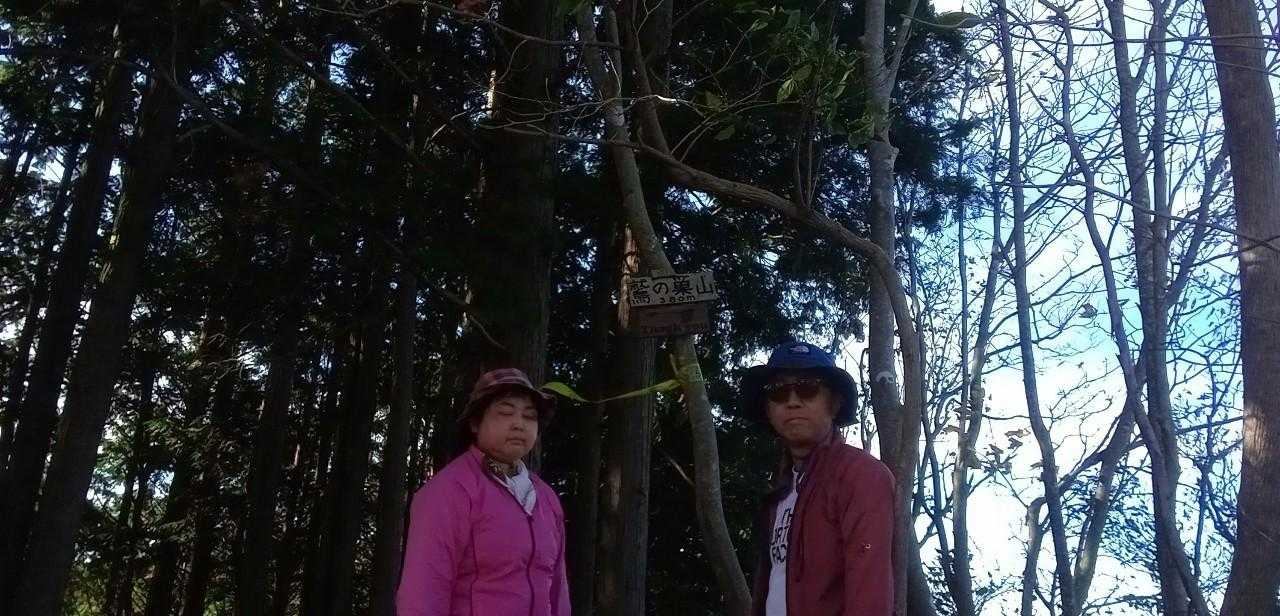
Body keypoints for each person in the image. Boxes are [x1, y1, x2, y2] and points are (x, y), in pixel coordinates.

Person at [733, 341, 896, 616]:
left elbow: (870, 592)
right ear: (767, 409)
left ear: (835, 403)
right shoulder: (779, 491)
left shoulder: (861, 476)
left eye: (808, 388)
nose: (792, 401)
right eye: (778, 391)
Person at [396, 368, 570, 616]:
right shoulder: (449, 491)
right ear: (475, 423)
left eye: (530, 416)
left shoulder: (547, 498)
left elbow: (558, 592)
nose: (519, 424)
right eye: (505, 412)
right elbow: (422, 594)